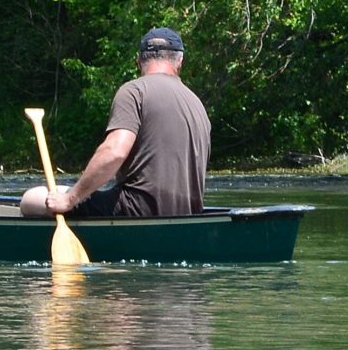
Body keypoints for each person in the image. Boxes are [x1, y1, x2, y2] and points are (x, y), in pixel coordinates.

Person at [21, 27, 210, 219]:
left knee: (32, 199)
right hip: (189, 215)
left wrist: (70, 199)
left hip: (135, 211)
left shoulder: (134, 91)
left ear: (139, 61)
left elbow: (115, 151)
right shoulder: (197, 104)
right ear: (180, 62)